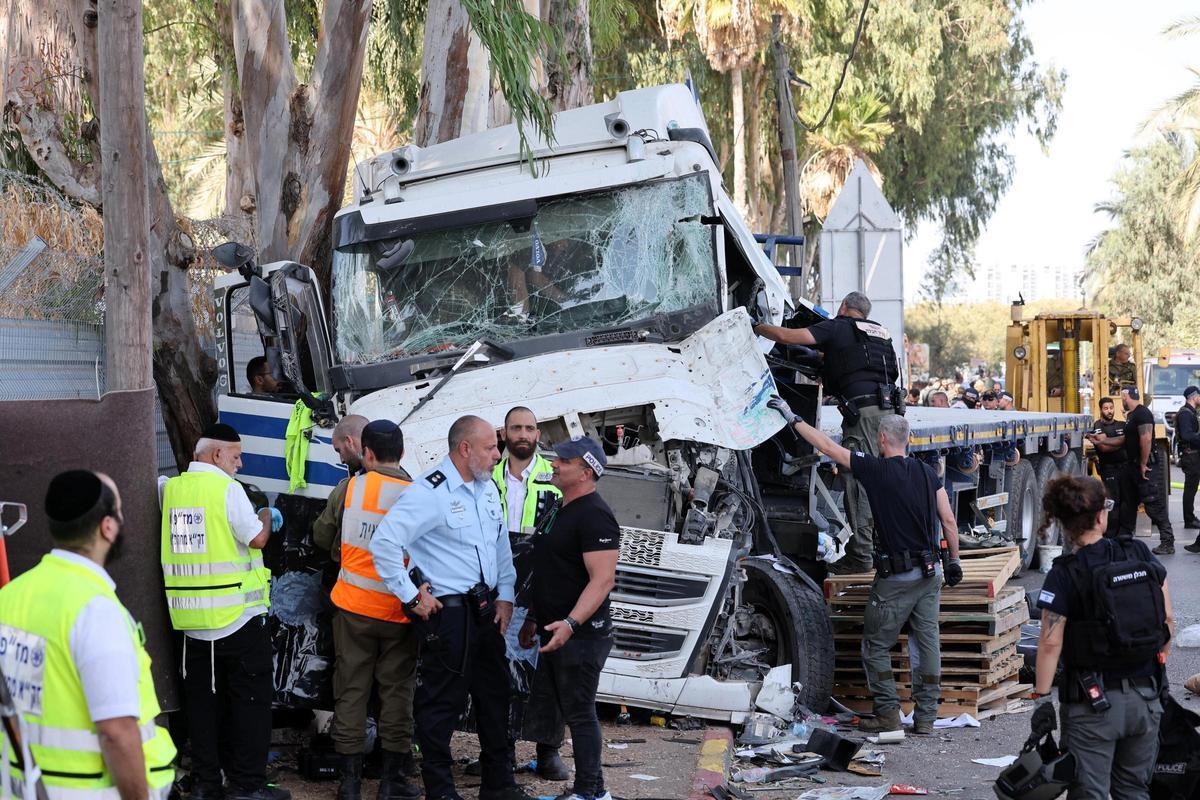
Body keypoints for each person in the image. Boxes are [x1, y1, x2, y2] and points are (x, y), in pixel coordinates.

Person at [767, 397, 963, 735]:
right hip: (931, 574)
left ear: (882, 439)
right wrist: (955, 560)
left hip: (897, 578)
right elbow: (948, 519)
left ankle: (887, 713)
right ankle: (926, 718)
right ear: (907, 440)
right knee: (925, 643)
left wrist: (792, 417)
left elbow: (828, 447)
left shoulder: (875, 470)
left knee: (875, 645)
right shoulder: (927, 473)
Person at [369, 415, 530, 800]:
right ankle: (441, 791)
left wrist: (506, 595)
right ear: (465, 448)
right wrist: (411, 596)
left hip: (485, 609)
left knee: (495, 697)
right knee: (441, 705)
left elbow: (500, 546)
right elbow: (384, 543)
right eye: (490, 448)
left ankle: (499, 786)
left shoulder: (487, 488)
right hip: (450, 614)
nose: (498, 454)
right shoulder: (431, 491)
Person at [0, 471, 176, 800]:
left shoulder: (9, 597)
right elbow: (116, 733)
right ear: (107, 527)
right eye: (119, 510)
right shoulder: (96, 611)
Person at [159, 423, 287, 800]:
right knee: (250, 705)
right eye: (236, 456)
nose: (240, 464)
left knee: (202, 707)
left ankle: (206, 784)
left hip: (191, 624)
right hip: (237, 620)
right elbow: (256, 538)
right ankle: (246, 786)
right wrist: (266, 514)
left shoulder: (170, 490)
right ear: (217, 455)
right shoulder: (228, 490)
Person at [1031, 475, 1174, 800]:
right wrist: (1158, 659)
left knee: (1089, 793)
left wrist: (1041, 697)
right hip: (1146, 699)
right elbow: (1167, 618)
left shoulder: (1064, 573)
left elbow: (1050, 643)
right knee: (1134, 790)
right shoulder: (1138, 552)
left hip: (1092, 706)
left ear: (1064, 522)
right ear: (1100, 516)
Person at [754, 291, 901, 573]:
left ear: (844, 306)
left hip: (864, 417)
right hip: (890, 414)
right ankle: (882, 546)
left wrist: (756, 326)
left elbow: (786, 337)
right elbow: (857, 365)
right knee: (885, 481)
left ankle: (861, 555)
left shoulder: (838, 326)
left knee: (857, 478)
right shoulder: (880, 333)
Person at [319, 421, 420, 800]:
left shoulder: (349, 489)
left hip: (353, 610)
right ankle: (392, 781)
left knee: (351, 691)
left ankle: (350, 783)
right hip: (400, 612)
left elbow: (322, 535)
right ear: (403, 453)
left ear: (368, 453)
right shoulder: (418, 494)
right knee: (397, 694)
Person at [519, 437, 620, 800]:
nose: (554, 464)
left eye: (564, 460)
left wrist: (571, 623)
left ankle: (589, 792)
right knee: (568, 708)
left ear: (586, 471)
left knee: (580, 712)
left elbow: (603, 580)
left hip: (582, 635)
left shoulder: (595, 515)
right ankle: (593, 789)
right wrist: (534, 617)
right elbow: (551, 567)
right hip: (555, 628)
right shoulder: (560, 507)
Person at [491, 407, 565, 779]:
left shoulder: (557, 478)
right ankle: (499, 749)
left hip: (546, 585)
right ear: (503, 433)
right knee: (496, 671)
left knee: (548, 670)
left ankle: (547, 749)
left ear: (538, 434)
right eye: (516, 427)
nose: (523, 434)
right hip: (495, 585)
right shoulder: (487, 477)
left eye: (529, 428)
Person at [1117, 387, 1175, 554]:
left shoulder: (1142, 413)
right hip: (1133, 467)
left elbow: (1146, 438)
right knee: (1128, 504)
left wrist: (1143, 464)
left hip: (1145, 467)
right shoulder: (1132, 415)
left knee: (1153, 504)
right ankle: (1124, 540)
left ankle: (1167, 542)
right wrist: (1103, 441)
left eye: (1122, 397)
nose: (1122, 400)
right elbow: (1127, 439)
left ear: (1126, 396)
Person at [313, 414, 370, 556]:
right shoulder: (406, 483)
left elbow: (322, 538)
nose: (342, 460)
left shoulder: (347, 489)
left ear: (349, 441)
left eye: (339, 450)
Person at [1085, 397, 1127, 539]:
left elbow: (1129, 441)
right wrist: (1122, 442)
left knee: (1125, 501)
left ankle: (1123, 533)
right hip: (1109, 468)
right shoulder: (1097, 426)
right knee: (1112, 502)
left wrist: (1108, 440)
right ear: (1101, 410)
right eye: (1106, 408)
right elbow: (1103, 448)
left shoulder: (1122, 424)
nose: (1109, 411)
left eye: (1111, 408)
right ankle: (1110, 535)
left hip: (1124, 468)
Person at [1175, 386, 1200, 549]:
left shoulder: (1190, 412)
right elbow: (1187, 435)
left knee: (1192, 487)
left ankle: (1190, 518)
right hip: (1191, 456)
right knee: (1190, 488)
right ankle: (1189, 519)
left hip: (1194, 455)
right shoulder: (1185, 414)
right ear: (1194, 396)